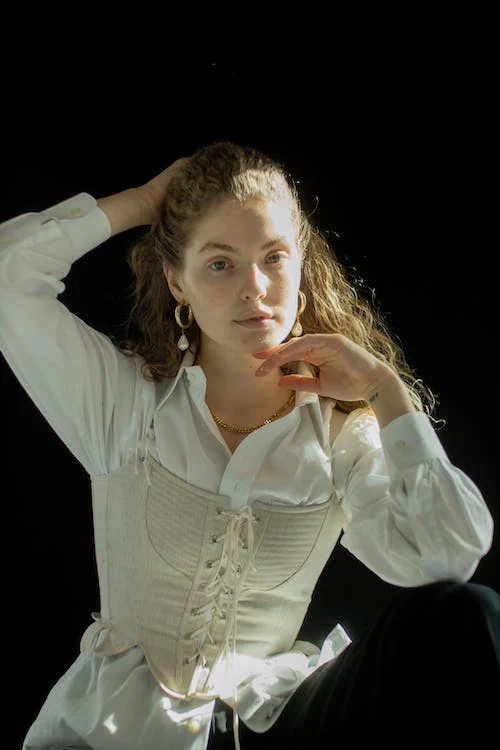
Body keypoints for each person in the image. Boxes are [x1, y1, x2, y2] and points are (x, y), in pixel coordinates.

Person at [1, 140, 498, 750]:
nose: (254, 288)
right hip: (124, 728)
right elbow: (6, 274)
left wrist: (385, 390)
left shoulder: (341, 434)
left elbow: (448, 562)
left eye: (274, 258)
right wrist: (142, 202)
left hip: (274, 723)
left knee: (470, 615)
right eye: (219, 263)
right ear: (175, 280)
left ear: (300, 265)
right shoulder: (125, 405)